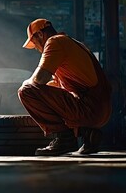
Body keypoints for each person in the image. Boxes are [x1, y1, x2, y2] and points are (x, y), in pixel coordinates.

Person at [18, 19, 112, 156]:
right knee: (41, 92)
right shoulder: (73, 44)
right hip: (102, 109)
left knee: (26, 91)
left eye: (35, 44)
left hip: (89, 107)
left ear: (39, 35)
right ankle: (87, 133)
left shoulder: (54, 42)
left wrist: (25, 84)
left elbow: (39, 80)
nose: (37, 49)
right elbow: (56, 88)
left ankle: (64, 138)